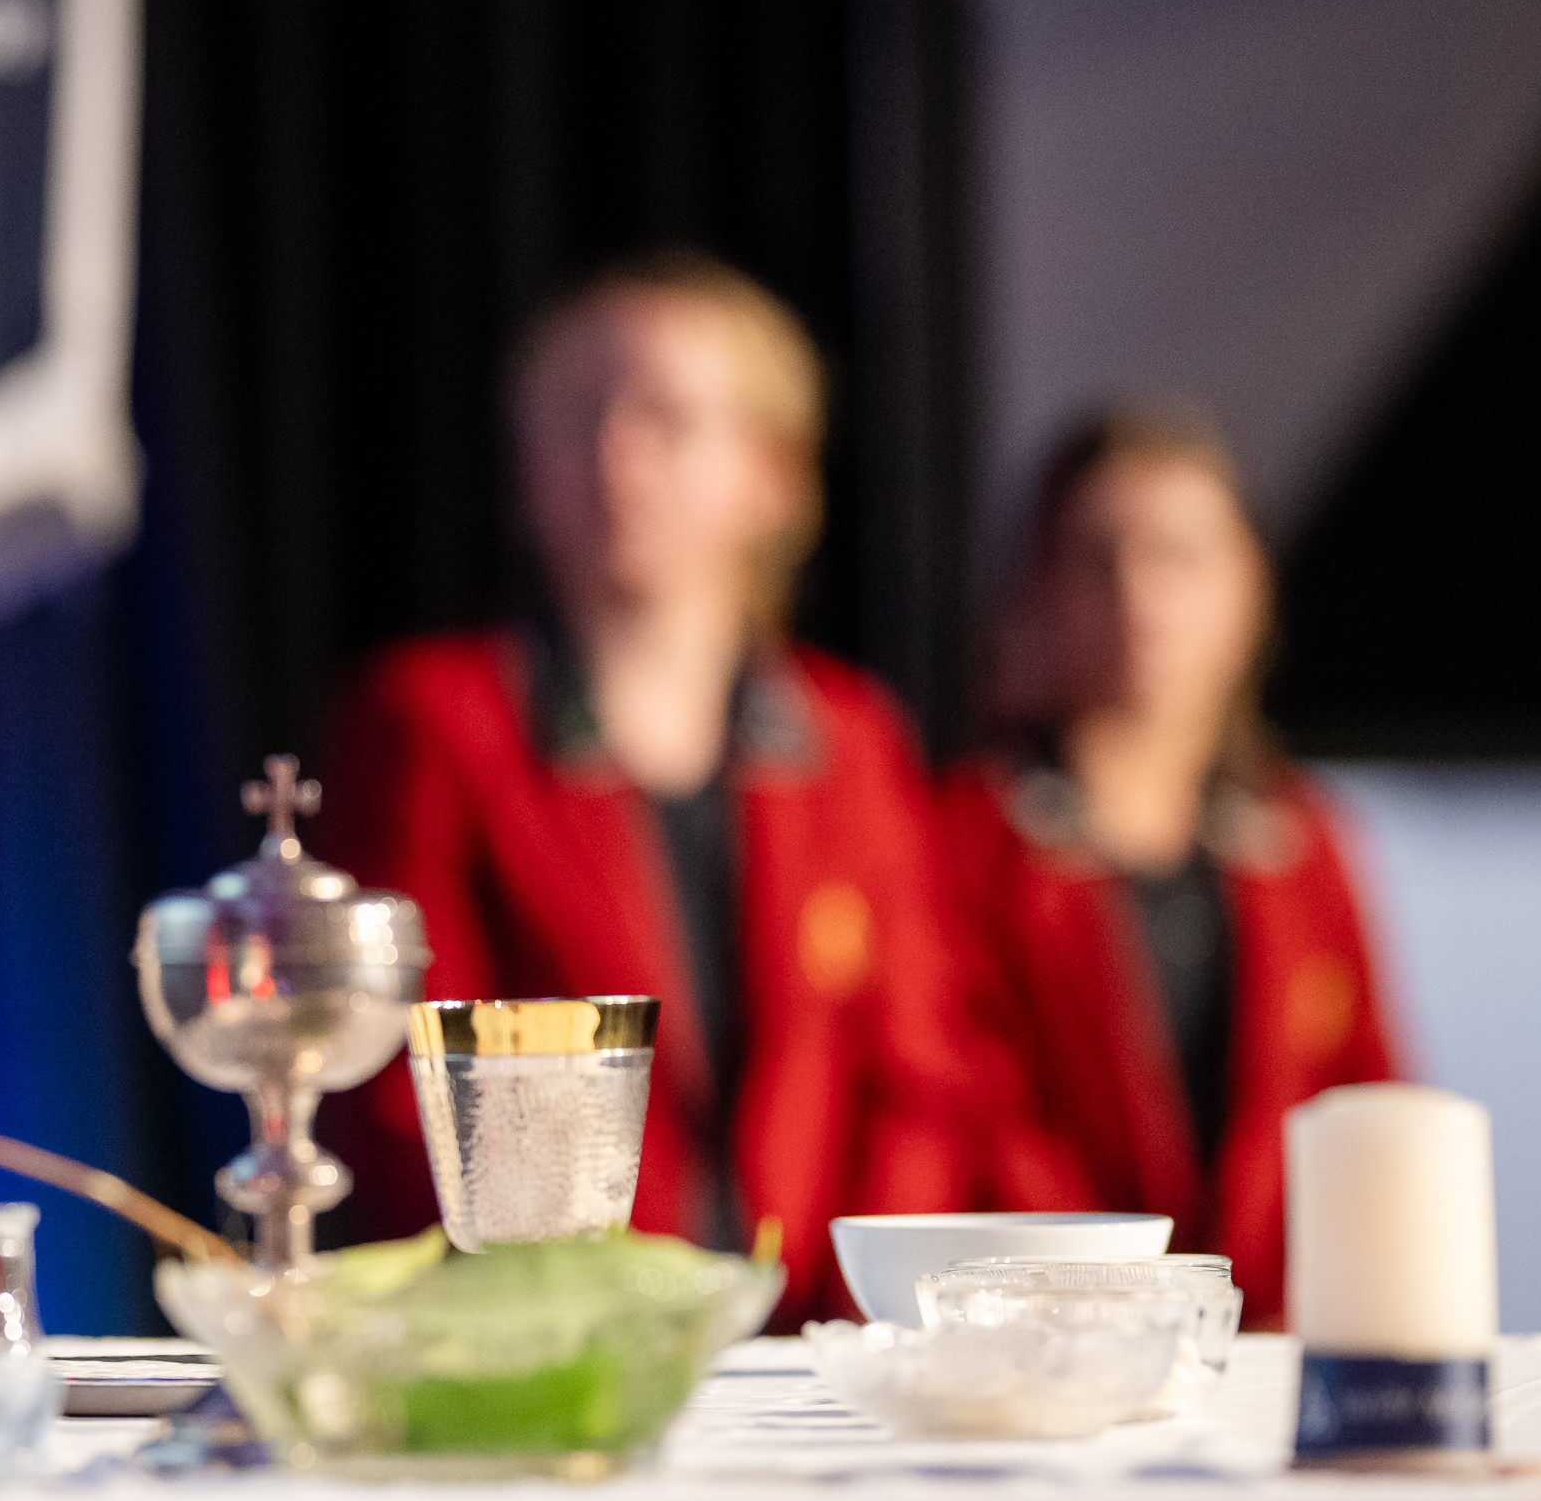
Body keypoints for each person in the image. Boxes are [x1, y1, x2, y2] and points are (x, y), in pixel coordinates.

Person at [317, 254, 1026, 1317]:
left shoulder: (849, 738)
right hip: (544, 1340)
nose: (614, 455)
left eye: (665, 417)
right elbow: (410, 1079)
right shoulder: (434, 719)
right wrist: (587, 1319)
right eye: (575, 415)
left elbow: (919, 1078)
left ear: (772, 476)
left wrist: (850, 1317)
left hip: (814, 1359)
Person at [938, 401, 1401, 1326]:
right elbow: (963, 1120)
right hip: (1042, 1345)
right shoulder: (960, 840)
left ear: (1249, 592)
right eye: (1098, 559)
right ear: (1034, 594)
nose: (1139, 596)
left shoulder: (1305, 845)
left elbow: (1372, 1112)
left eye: (1180, 557)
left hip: (1279, 1347)